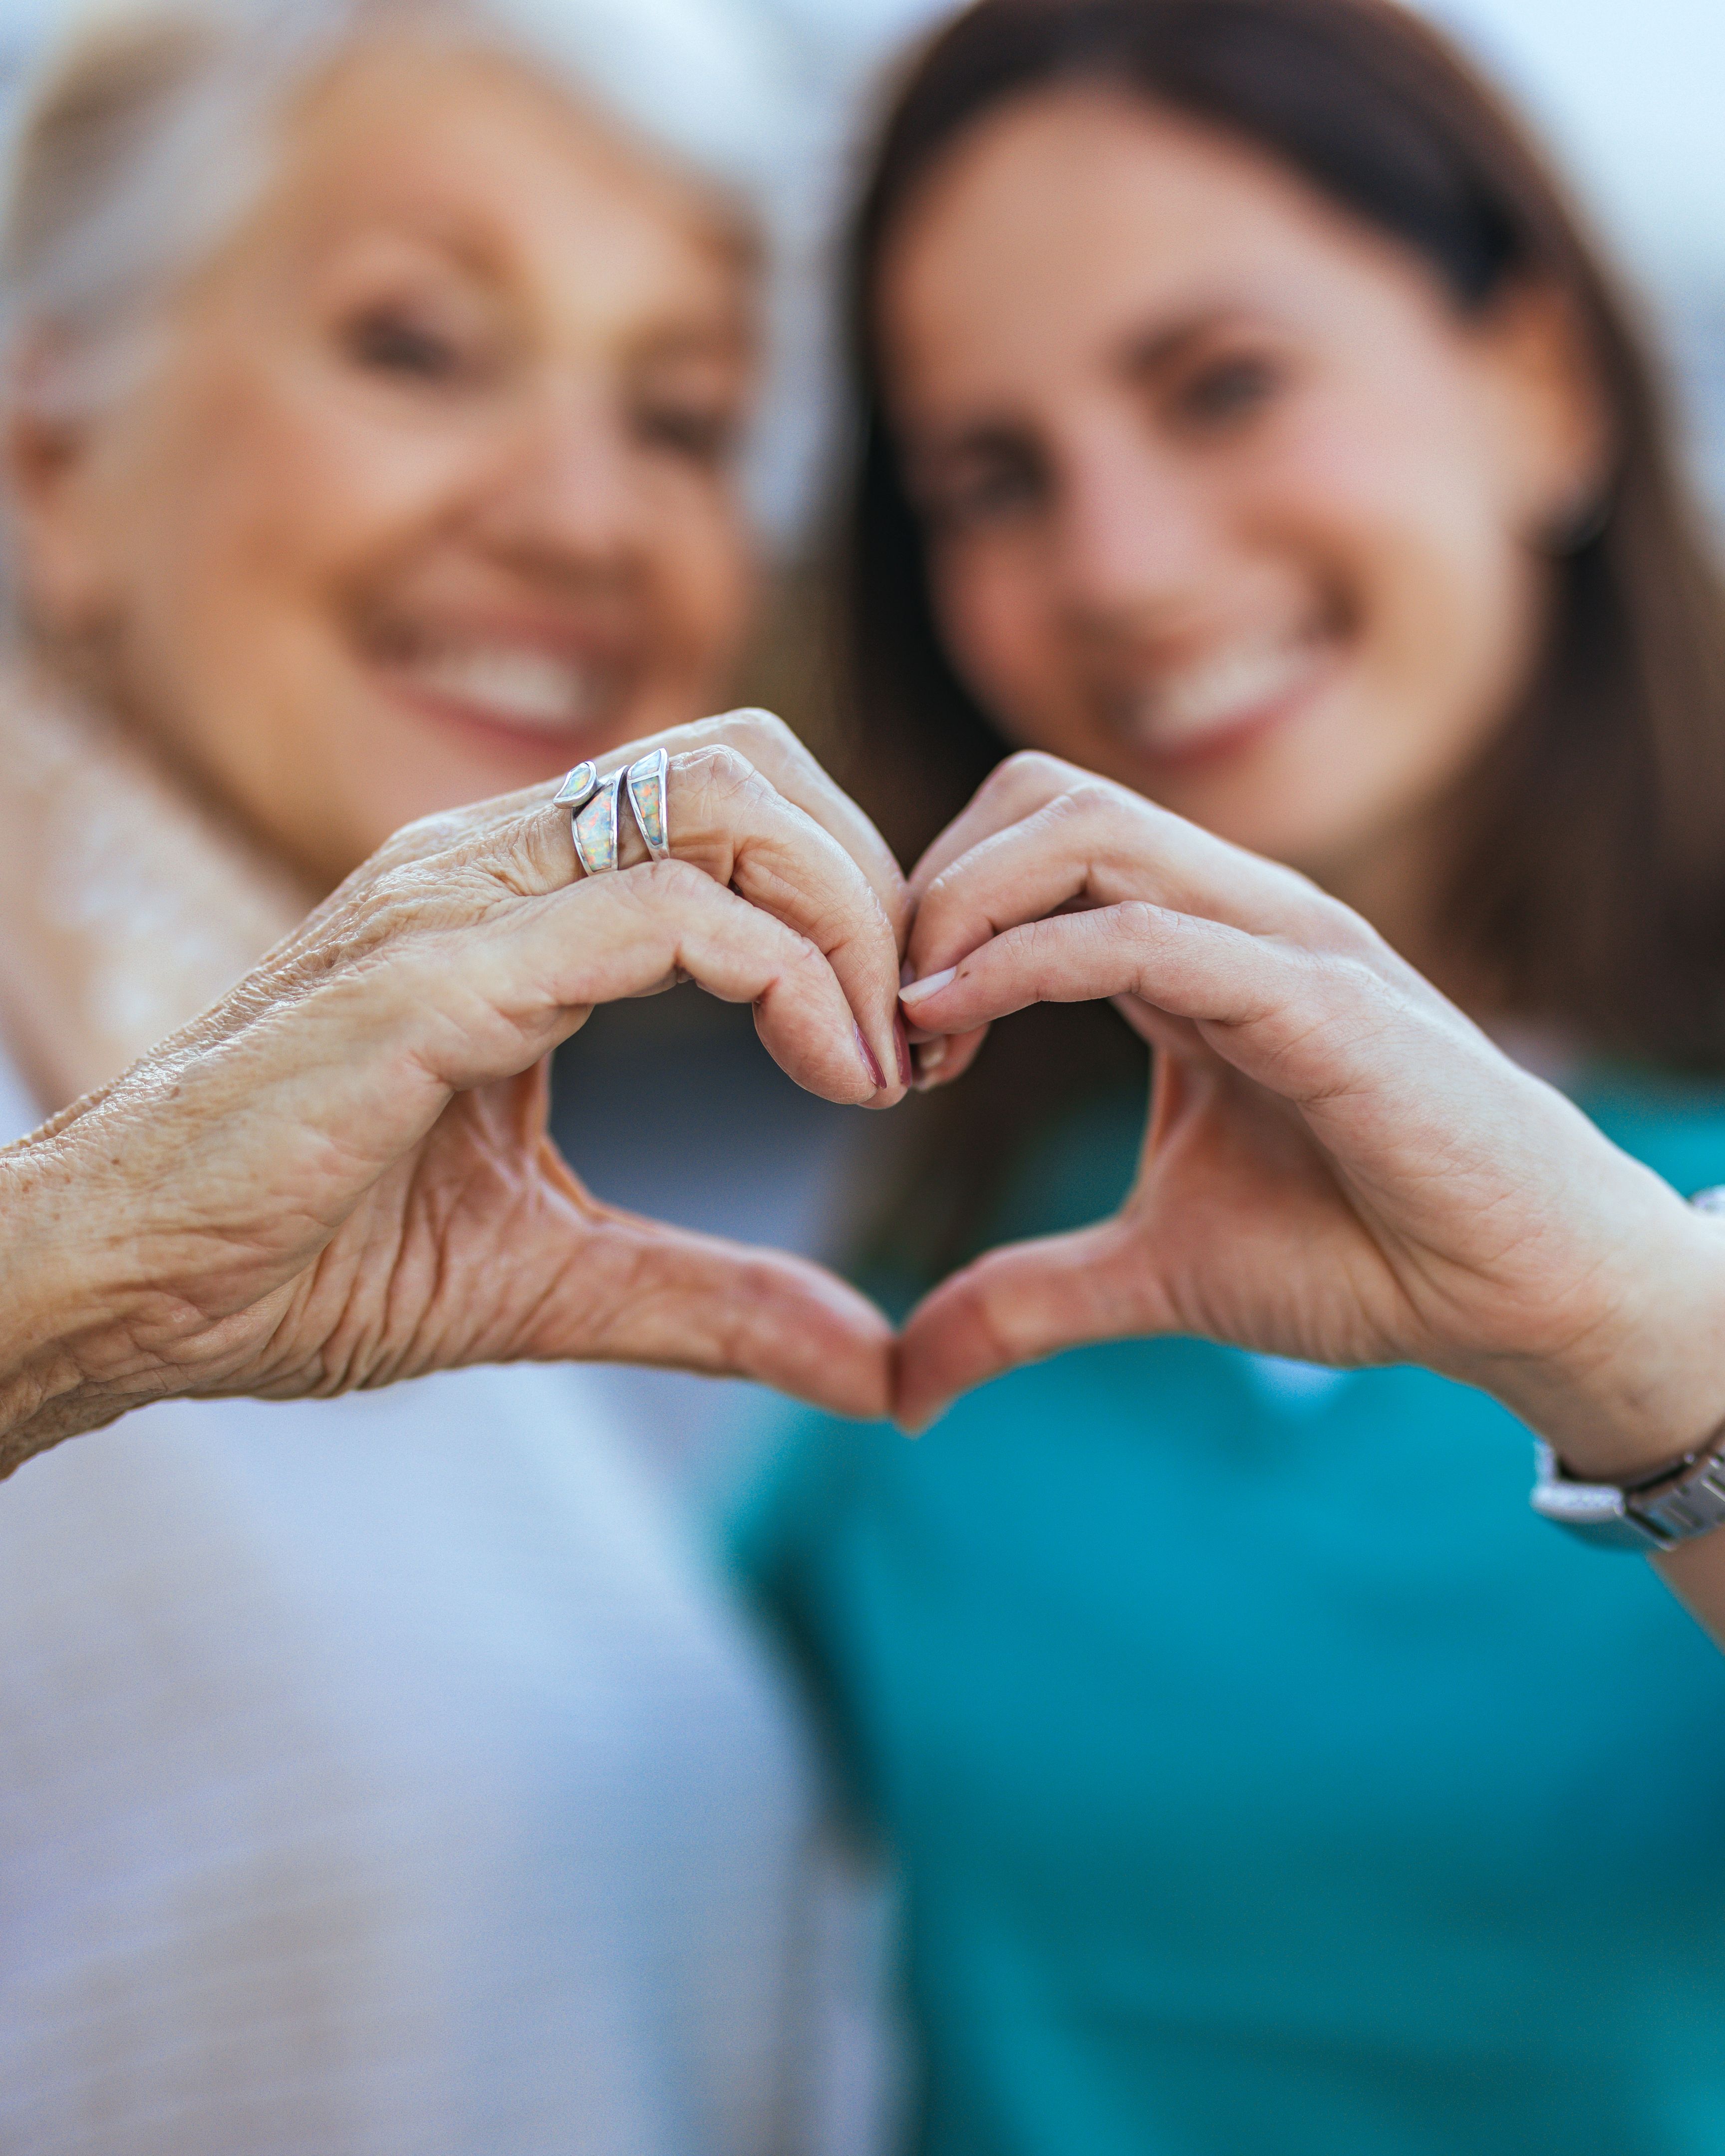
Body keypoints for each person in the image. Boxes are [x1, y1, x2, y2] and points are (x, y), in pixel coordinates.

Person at [737, 1, 1725, 2149]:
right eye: (993, 479)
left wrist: (1648, 1353)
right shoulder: (944, 1200)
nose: (1120, 565)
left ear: (1540, 382)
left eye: (1224, 387)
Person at [0, 4, 906, 2150]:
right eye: (417, 347)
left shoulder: (458, 1200)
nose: (587, 517)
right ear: (55, 468)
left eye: (684, 418)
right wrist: (89, 1267)